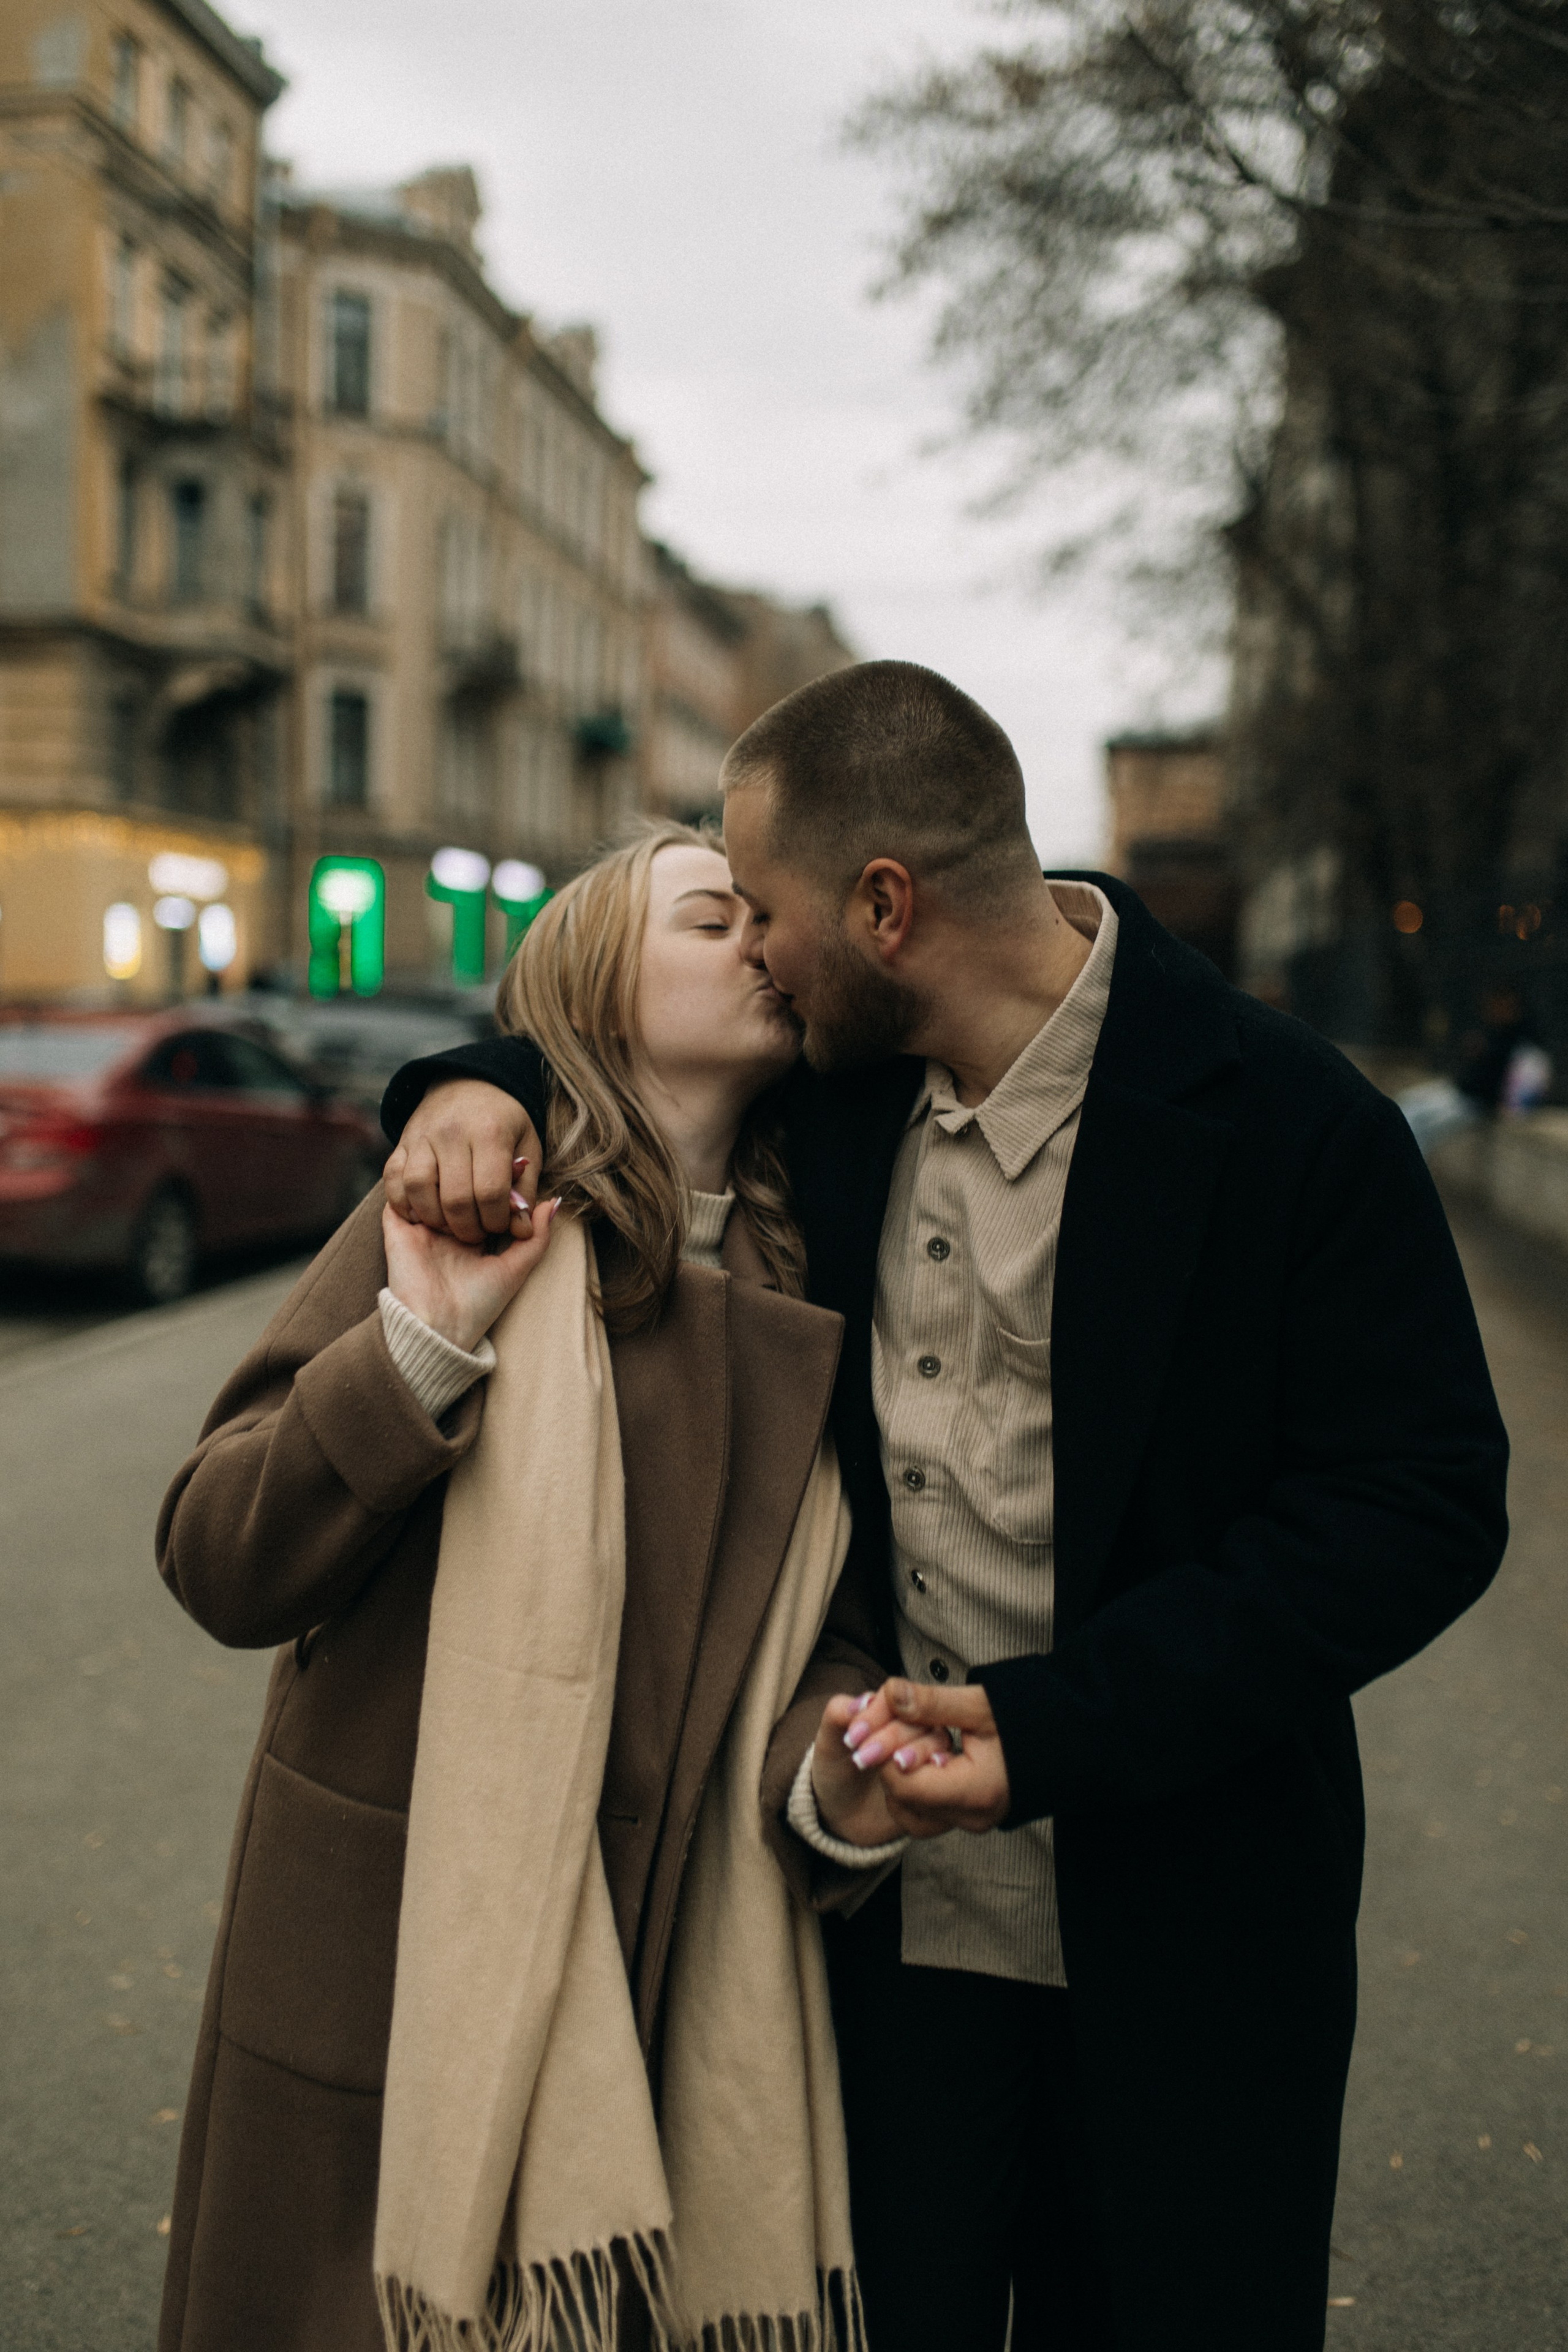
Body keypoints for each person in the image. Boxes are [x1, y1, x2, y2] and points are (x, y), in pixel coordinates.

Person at [382, 660, 1510, 2352]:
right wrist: (463, 1088)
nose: (752, 951)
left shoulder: (1294, 1122)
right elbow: (619, 1058)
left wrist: (1059, 1728)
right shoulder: (830, 1097)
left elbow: (1423, 1503)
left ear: (884, 906)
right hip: (873, 1938)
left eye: (763, 910)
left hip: (1193, 1936)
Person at [154, 824, 879, 2352]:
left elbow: (815, 1626)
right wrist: (420, 1355)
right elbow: (219, 1552)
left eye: (767, 914)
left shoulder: (803, 1271)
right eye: (708, 915)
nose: (760, 937)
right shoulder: (465, 1205)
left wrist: (832, 1767)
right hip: (395, 1939)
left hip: (667, 1964)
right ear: (597, 987)